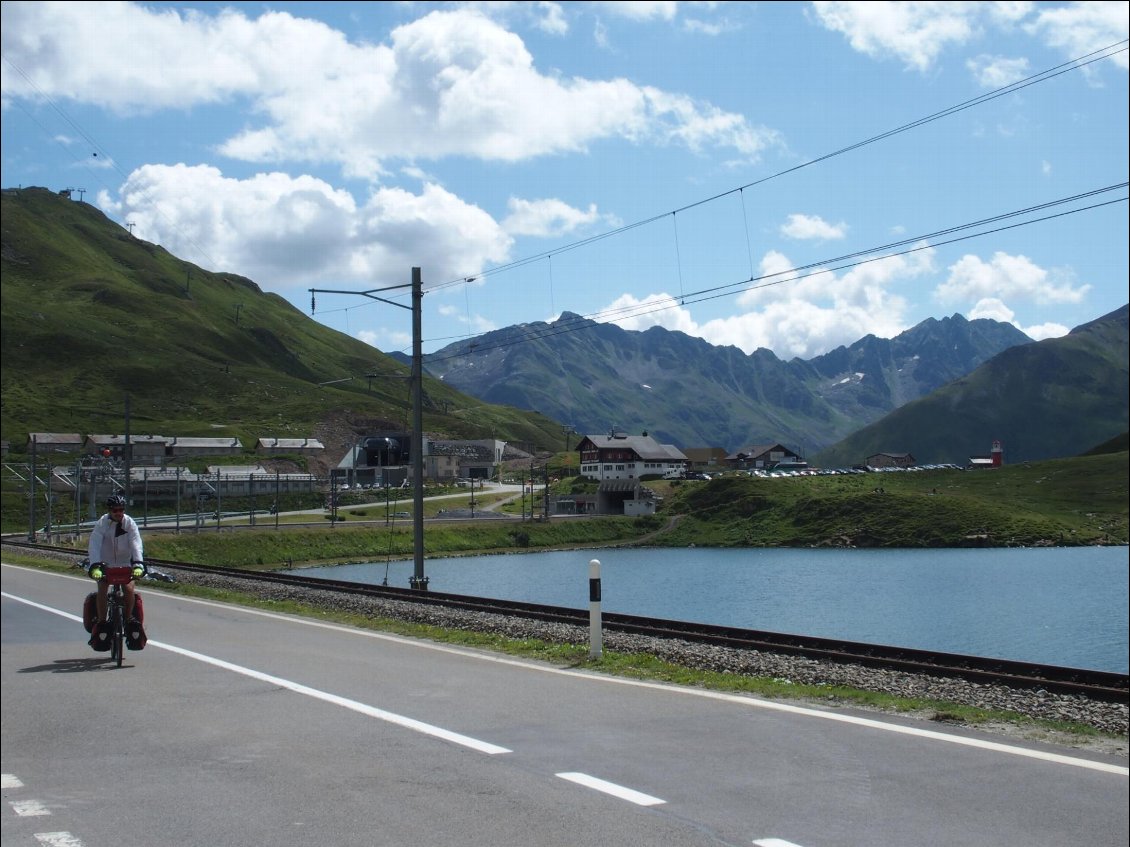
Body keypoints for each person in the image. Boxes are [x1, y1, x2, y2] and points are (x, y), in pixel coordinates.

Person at [87, 493, 145, 647]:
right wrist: (95, 565)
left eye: (121, 510)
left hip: (125, 562)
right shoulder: (102, 524)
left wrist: (138, 563)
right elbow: (95, 544)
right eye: (115, 510)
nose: (119, 513)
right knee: (102, 589)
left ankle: (128, 619)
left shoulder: (129, 523)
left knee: (129, 588)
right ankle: (101, 621)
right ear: (109, 511)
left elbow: (136, 542)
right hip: (105, 563)